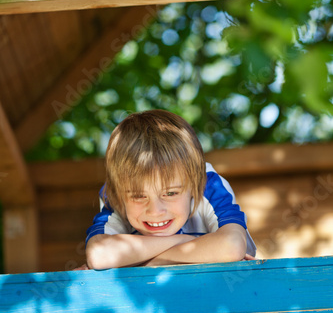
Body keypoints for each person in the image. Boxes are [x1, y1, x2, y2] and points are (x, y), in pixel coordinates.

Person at [85, 109, 256, 269]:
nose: (155, 211)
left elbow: (231, 246)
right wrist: (186, 241)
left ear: (194, 183)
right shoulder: (116, 190)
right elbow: (98, 254)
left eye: (170, 193)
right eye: (138, 196)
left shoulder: (207, 183)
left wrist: (143, 262)